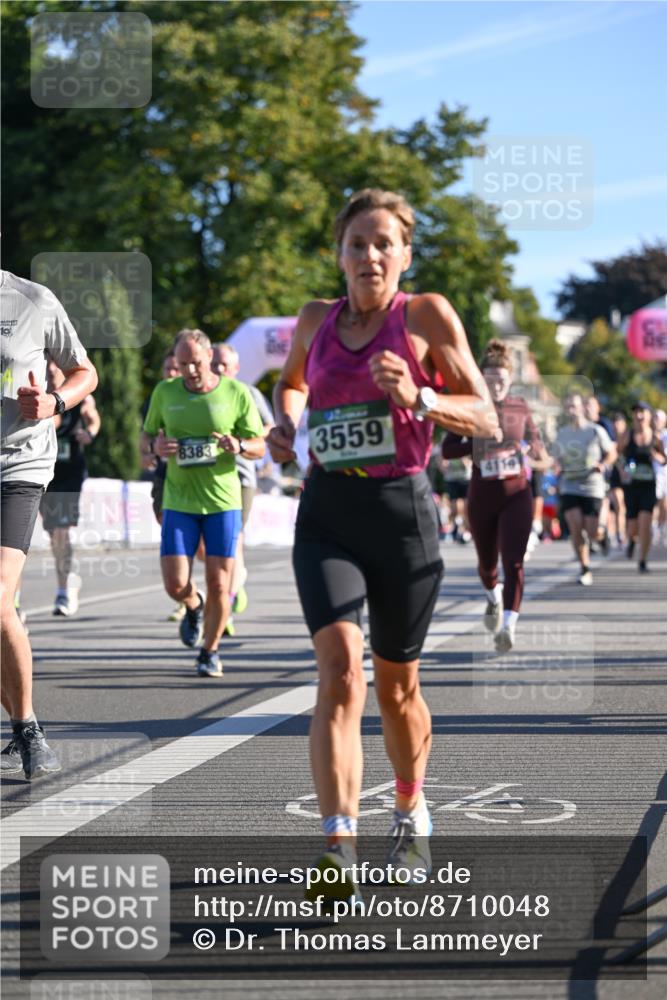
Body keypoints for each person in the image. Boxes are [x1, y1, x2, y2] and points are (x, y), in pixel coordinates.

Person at [267, 188, 497, 900]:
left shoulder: (423, 316)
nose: (369, 255)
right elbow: (292, 385)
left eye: (382, 243)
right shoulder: (314, 319)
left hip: (402, 515)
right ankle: (337, 846)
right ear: (338, 253)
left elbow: (486, 417)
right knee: (339, 674)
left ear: (403, 253)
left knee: (398, 690)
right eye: (356, 243)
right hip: (328, 511)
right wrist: (285, 427)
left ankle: (410, 808)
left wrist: (421, 398)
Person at [1, 269, 97, 779]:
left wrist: (55, 403)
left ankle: (28, 728)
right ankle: (23, 723)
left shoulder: (32, 300)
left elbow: (86, 372)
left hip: (19, 464)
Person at [141, 329, 265, 677]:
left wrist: (238, 446)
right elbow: (147, 437)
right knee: (174, 583)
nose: (190, 371)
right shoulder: (165, 392)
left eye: (195, 363)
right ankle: (193, 606)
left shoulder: (237, 393)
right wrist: (155, 448)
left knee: (220, 584)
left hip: (223, 502)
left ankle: (209, 652)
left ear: (209, 357)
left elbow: (259, 446)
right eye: (182, 365)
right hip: (179, 500)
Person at [441, 339, 550, 653]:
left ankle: (508, 625)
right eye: (490, 381)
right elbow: (448, 449)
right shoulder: (472, 407)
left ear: (510, 380)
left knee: (513, 561)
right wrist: (479, 444)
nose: (497, 386)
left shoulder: (520, 407)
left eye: (501, 380)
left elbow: (537, 443)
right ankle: (492, 596)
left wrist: (533, 450)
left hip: (517, 494)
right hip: (482, 495)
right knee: (487, 566)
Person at [212, 342, 274, 633]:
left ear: (236, 368)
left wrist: (242, 437)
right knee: (214, 545)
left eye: (225, 364)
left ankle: (229, 599)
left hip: (242, 476)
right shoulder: (201, 395)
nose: (219, 368)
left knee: (232, 538)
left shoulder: (249, 394)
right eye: (215, 363)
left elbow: (269, 427)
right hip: (207, 477)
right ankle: (235, 581)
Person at [39, 360, 101, 616]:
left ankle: (64, 591)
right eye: (48, 368)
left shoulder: (79, 396)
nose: (52, 372)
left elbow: (94, 419)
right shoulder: (38, 394)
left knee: (62, 530)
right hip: (44, 472)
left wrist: (90, 434)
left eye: (56, 368)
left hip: (70, 472)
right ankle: (69, 574)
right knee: (54, 532)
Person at [140, 348, 186, 622]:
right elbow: (144, 433)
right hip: (163, 474)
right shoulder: (157, 397)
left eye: (174, 369)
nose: (170, 374)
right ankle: (187, 593)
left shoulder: (196, 395)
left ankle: (193, 592)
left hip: (194, 479)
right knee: (166, 523)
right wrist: (146, 453)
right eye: (166, 369)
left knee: (190, 541)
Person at [553, 392, 616, 586]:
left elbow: (611, 452)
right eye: (568, 407)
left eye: (575, 406)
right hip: (570, 485)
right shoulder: (562, 434)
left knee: (592, 531)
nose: (572, 410)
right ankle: (584, 568)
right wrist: (556, 467)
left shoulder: (595, 431)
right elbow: (557, 458)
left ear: (582, 408)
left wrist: (603, 465)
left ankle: (602, 536)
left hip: (592, 486)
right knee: (575, 527)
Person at [619, 402, 666, 572]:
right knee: (633, 526)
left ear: (648, 415)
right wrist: (623, 470)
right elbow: (617, 455)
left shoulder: (655, 437)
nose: (639, 416)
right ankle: (631, 540)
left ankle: (643, 560)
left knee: (645, 522)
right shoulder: (627, 435)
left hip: (648, 484)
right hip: (631, 485)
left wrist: (656, 457)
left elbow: (664, 459)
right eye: (636, 412)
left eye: (643, 412)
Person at [652, 408, 667, 547]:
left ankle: (662, 527)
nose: (656, 420)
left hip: (665, 475)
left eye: (659, 418)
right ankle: (654, 528)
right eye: (655, 417)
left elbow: (664, 459)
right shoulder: (648, 435)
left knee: (664, 504)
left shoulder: (666, 436)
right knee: (653, 503)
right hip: (651, 475)